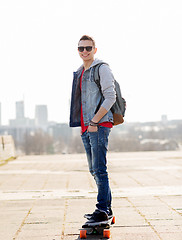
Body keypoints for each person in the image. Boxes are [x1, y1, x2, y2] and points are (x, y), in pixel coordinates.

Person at [69, 35, 116, 225]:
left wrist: (95, 121)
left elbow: (110, 96)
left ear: (95, 50)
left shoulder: (102, 68)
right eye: (81, 48)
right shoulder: (80, 72)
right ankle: (107, 209)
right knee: (94, 169)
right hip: (86, 127)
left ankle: (102, 209)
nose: (85, 51)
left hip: (98, 125)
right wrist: (84, 127)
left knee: (100, 169)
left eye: (88, 48)